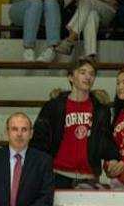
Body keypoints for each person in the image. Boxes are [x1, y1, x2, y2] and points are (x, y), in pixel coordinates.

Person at [33, 57, 115, 190]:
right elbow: (39, 140)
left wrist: (113, 158)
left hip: (89, 177)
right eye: (82, 72)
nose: (88, 77)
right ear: (70, 77)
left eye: (92, 73)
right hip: (57, 174)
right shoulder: (53, 106)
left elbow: (106, 141)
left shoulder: (101, 109)